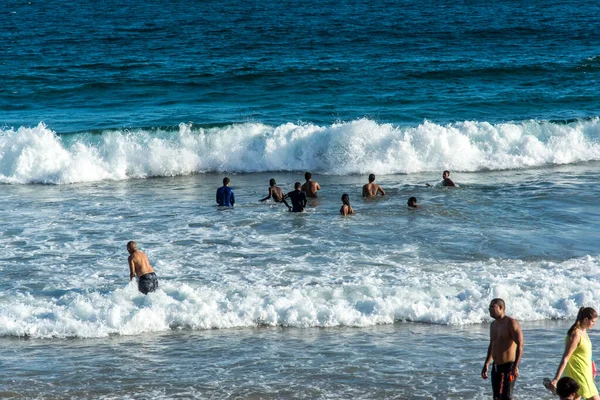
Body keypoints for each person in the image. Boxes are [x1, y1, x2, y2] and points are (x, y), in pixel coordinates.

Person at [546, 307, 599, 400]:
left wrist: (593, 367)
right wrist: (556, 379)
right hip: (578, 372)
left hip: (585, 372)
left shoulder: (584, 332)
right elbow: (565, 358)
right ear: (586, 319)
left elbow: (586, 354)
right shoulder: (576, 334)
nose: (594, 324)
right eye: (593, 321)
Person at [481, 298, 524, 400]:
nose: (489, 309)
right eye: (489, 307)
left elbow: (520, 345)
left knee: (506, 397)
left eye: (492, 307)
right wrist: (486, 364)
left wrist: (515, 366)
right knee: (496, 397)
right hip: (496, 366)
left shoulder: (511, 323)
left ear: (500, 308)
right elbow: (492, 345)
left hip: (509, 366)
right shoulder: (493, 325)